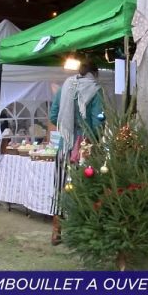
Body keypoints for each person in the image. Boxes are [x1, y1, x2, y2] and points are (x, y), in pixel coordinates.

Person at [49, 60, 104, 244]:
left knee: (61, 188)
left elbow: (53, 116)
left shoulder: (66, 87)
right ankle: (80, 233)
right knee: (84, 189)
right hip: (84, 149)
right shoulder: (95, 90)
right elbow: (98, 122)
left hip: (64, 147)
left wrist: (68, 127)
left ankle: (56, 231)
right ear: (94, 74)